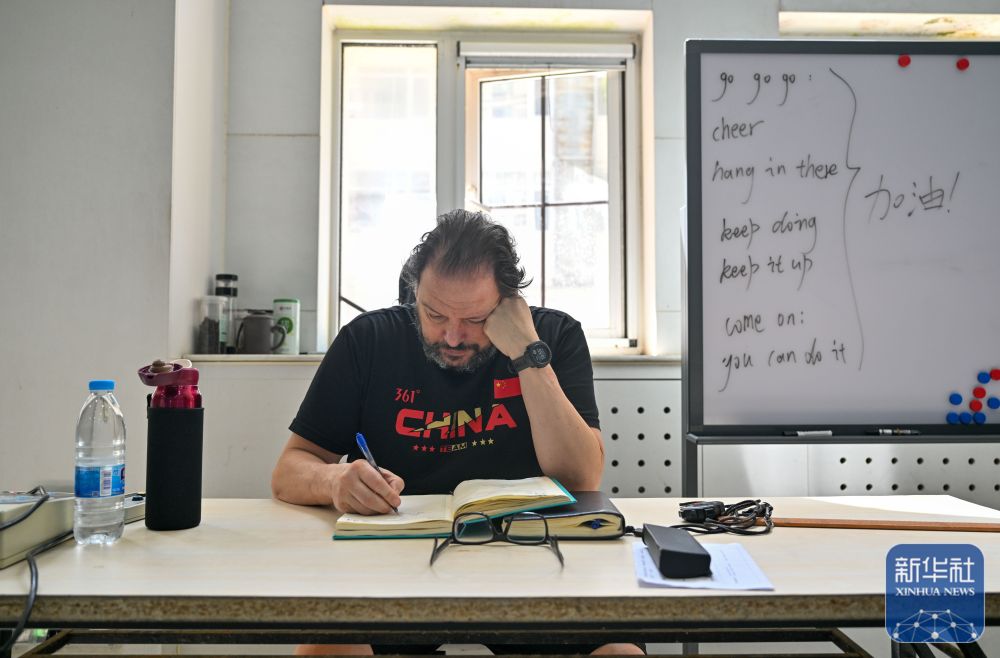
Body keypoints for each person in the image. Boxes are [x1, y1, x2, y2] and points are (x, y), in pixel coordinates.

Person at [272, 209, 643, 656]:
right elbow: (289, 470)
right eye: (434, 314)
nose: (451, 337)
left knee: (620, 653)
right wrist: (335, 480)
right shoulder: (368, 341)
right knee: (323, 651)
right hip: (393, 561)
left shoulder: (553, 337)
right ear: (415, 292)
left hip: (536, 556)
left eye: (474, 319)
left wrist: (527, 353)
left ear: (507, 303)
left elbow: (582, 479)